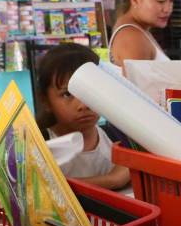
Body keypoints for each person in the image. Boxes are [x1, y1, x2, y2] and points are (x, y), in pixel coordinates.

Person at [34, 43, 130, 190]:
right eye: (67, 94)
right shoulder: (40, 147)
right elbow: (44, 190)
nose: (83, 105)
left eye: (91, 90)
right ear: (46, 101)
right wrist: (112, 180)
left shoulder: (116, 138)